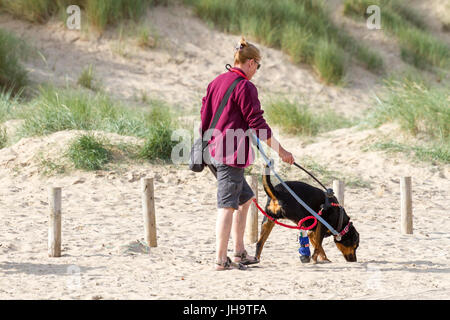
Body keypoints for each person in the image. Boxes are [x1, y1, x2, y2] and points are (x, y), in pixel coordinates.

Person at [200, 37, 295, 270]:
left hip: (212, 150)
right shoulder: (245, 87)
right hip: (229, 155)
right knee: (227, 206)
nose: (256, 72)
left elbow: (204, 115)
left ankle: (239, 252)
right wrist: (282, 151)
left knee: (244, 199)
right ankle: (221, 260)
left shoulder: (216, 82)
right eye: (258, 67)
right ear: (251, 63)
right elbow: (258, 125)